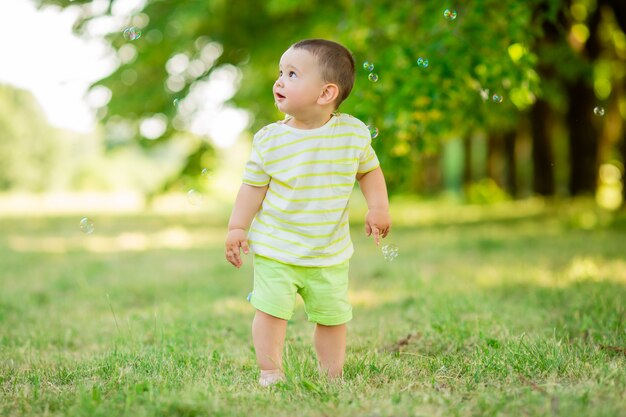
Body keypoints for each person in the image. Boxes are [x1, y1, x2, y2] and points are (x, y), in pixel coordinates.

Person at [224, 38, 391, 386]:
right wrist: (238, 227)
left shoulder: (352, 134)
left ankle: (331, 375)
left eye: (292, 73)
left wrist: (377, 207)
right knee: (270, 312)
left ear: (326, 93)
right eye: (280, 72)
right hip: (277, 248)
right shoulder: (270, 140)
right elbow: (252, 187)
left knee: (332, 317)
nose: (279, 81)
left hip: (328, 252)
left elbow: (369, 171)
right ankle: (271, 371)